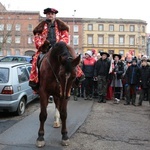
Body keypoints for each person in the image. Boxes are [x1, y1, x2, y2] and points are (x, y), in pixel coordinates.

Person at [29, 7, 84, 92]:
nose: (50, 15)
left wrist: (59, 45)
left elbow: (65, 37)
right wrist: (43, 44)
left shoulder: (61, 26)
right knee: (36, 60)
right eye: (48, 14)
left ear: (55, 15)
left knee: (70, 58)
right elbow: (37, 38)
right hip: (45, 49)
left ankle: (77, 76)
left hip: (59, 48)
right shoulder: (40, 27)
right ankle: (35, 82)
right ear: (46, 15)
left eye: (52, 14)